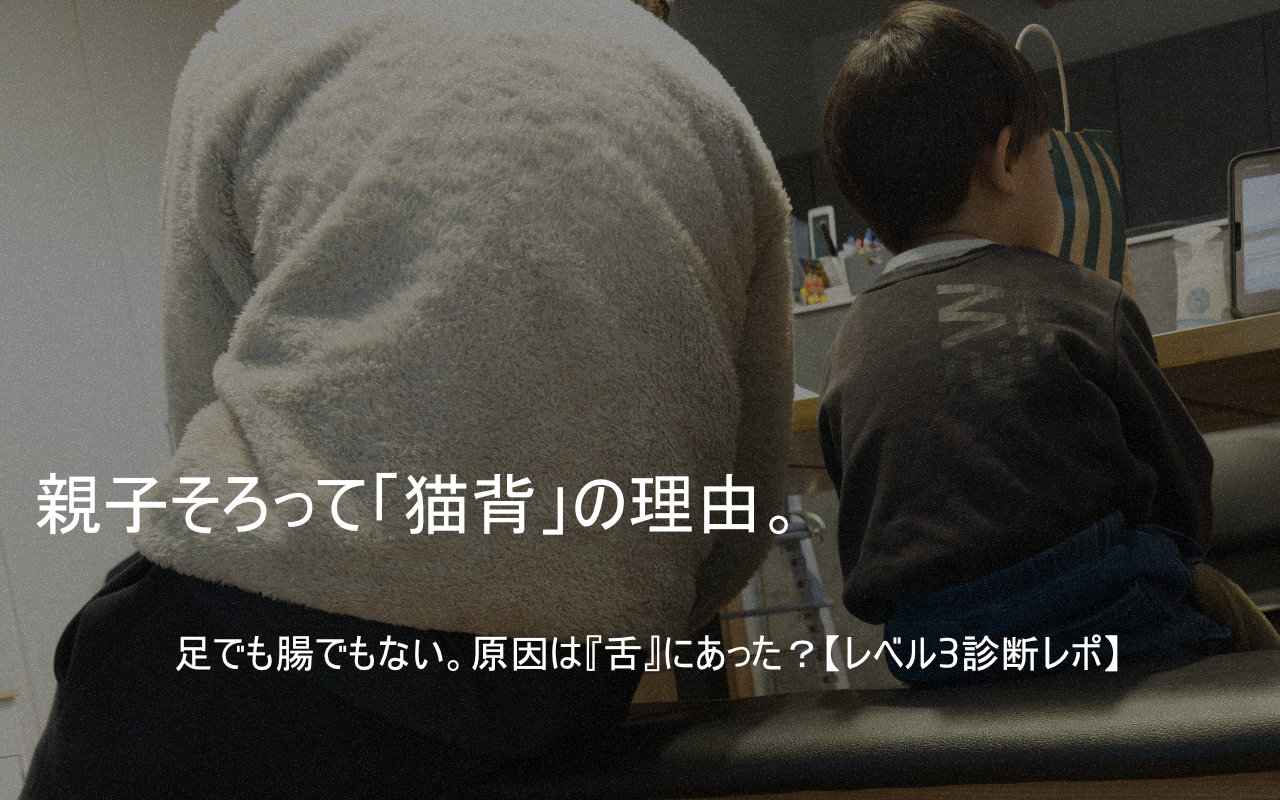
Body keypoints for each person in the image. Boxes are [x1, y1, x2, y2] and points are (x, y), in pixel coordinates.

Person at [21, 0, 794, 795]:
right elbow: (750, 481)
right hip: (577, 664)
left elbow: (197, 378)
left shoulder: (257, 39)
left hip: (282, 621)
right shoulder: (700, 89)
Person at [817, 1, 1279, 687]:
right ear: (1006, 160)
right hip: (1118, 638)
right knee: (1228, 608)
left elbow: (864, 522)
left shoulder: (850, 347)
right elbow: (1185, 497)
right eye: (1049, 155)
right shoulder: (1085, 301)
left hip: (942, 664)